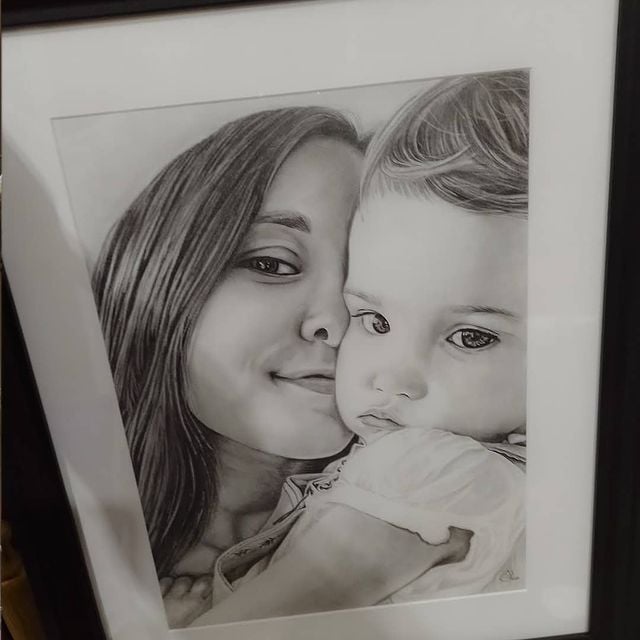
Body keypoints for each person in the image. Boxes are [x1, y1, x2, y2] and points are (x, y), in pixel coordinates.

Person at [193, 69, 529, 625]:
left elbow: (248, 631)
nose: (392, 378)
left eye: (471, 336)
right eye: (374, 319)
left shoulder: (431, 470)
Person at [92, 106, 369, 626]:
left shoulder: (439, 520)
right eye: (272, 263)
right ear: (166, 279)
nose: (336, 322)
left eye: (368, 278)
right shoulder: (65, 543)